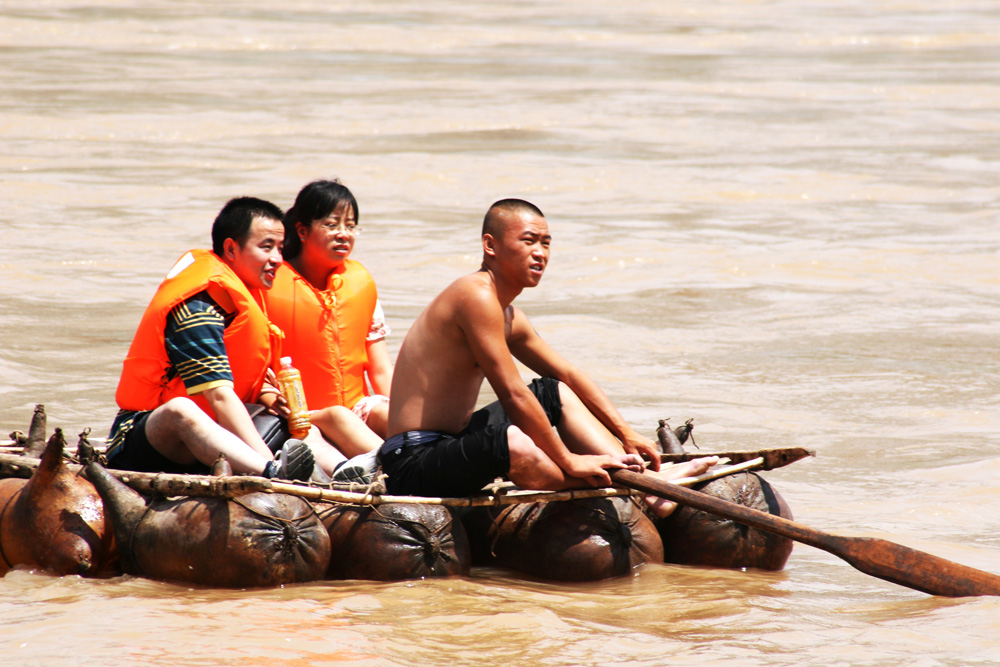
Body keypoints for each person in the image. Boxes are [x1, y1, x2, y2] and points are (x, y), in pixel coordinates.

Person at [381, 198, 717, 515]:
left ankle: (641, 479)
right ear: (490, 245)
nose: (540, 253)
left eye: (546, 243)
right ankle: (636, 487)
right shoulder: (475, 296)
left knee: (553, 391)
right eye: (529, 241)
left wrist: (626, 432)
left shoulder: (509, 315)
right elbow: (512, 394)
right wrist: (568, 459)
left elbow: (568, 375)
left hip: (454, 441)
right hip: (414, 460)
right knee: (511, 440)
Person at [106, 197, 314, 481]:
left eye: (280, 247)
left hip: (213, 435)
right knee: (181, 410)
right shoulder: (198, 306)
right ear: (231, 248)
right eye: (267, 247)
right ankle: (275, 472)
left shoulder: (246, 296)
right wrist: (265, 460)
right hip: (146, 437)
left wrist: (268, 397)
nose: (278, 258)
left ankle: (342, 479)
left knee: (300, 421)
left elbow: (242, 378)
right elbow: (218, 395)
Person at [263, 180, 387, 475]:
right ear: (302, 231)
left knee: (390, 413)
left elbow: (380, 370)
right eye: (332, 225)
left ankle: (431, 457)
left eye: (351, 225)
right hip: (302, 415)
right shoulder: (266, 286)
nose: (344, 234)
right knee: (338, 416)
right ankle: (402, 469)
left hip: (357, 408)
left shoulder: (359, 285)